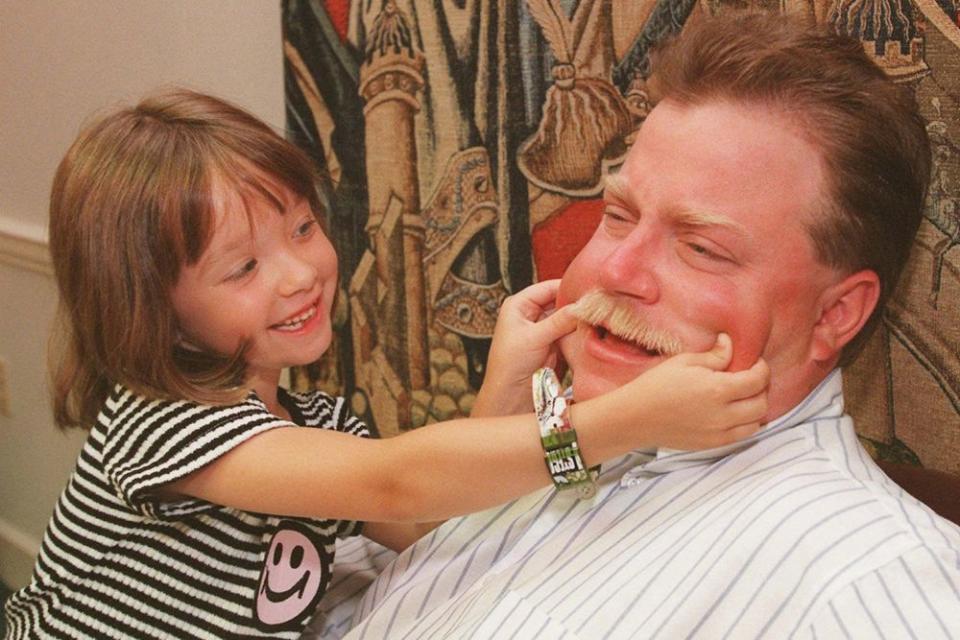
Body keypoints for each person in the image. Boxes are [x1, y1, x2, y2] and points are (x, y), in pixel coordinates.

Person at [1, 89, 771, 639]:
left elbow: (421, 522)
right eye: (242, 269)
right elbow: (394, 479)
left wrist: (506, 382)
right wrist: (627, 422)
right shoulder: (162, 423)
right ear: (155, 309)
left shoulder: (311, 423)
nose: (300, 273)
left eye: (303, 227)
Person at [332, 13, 960, 639]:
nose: (615, 269)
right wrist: (508, 420)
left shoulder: (869, 580)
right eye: (617, 214)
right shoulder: (555, 444)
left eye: (702, 248)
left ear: (835, 315)